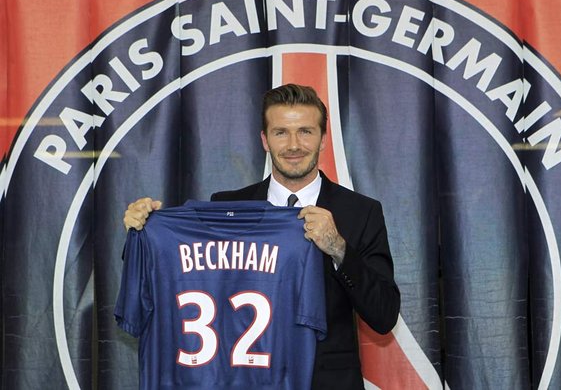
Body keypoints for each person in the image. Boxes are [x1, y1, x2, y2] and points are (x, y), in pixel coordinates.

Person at [123, 83, 400, 389]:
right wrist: (143, 233)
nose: (293, 145)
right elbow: (178, 269)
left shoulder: (360, 212)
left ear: (323, 139)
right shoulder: (226, 207)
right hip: (243, 380)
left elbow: (384, 315)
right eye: (281, 132)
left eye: (305, 132)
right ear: (265, 140)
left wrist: (338, 248)